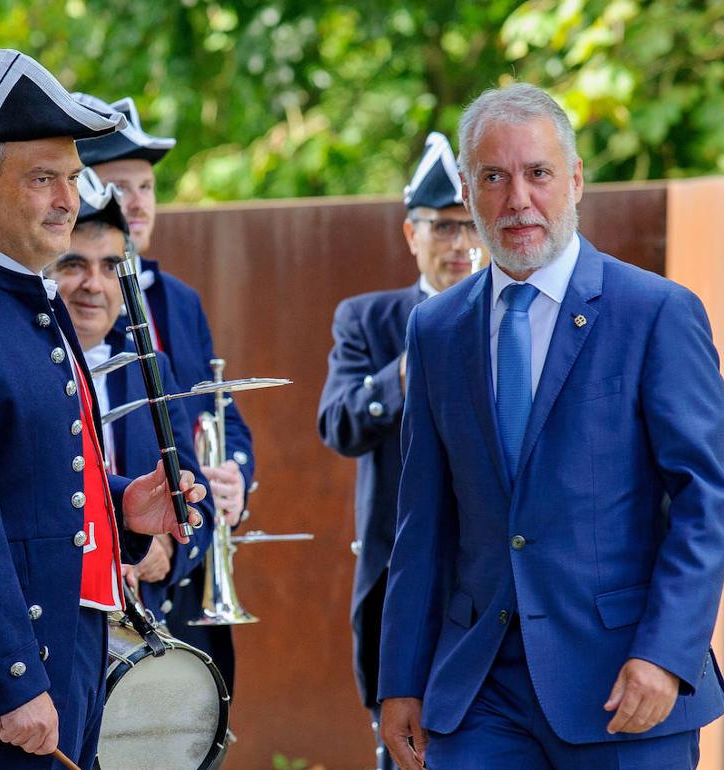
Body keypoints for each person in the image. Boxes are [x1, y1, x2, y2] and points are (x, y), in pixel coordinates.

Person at [378, 83, 724, 770]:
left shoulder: (655, 313)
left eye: (538, 173)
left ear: (574, 181)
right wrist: (400, 678)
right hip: (480, 690)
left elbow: (705, 503)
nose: (518, 200)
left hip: (623, 688)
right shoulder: (436, 330)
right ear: (468, 187)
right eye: (494, 177)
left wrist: (664, 654)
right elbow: (421, 521)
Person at [0, 49, 204, 769]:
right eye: (42, 178)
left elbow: (35, 475)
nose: (68, 198)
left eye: (71, 176)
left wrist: (122, 505)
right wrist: (11, 681)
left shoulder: (29, 304)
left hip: (68, 656)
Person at [76, 94, 253, 692]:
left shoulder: (178, 301)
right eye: (117, 186)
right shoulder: (51, 313)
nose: (135, 203)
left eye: (145, 187)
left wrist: (226, 480)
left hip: (171, 581)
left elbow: (213, 418)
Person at [317, 131, 480, 770]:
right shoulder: (369, 319)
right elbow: (338, 424)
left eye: (470, 226)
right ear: (410, 233)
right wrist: (414, 367)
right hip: (405, 574)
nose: (461, 245)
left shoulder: (517, 314)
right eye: (442, 227)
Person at [45, 168, 214, 632]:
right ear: (48, 273)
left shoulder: (150, 365)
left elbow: (199, 500)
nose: (93, 285)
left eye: (110, 267)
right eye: (74, 265)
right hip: (56, 623)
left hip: (147, 628)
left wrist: (169, 550)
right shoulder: (19, 363)